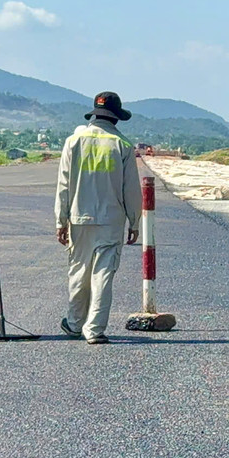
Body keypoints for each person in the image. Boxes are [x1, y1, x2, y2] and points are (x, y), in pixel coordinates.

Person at [54, 92, 142, 345]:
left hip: (79, 217)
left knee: (78, 271)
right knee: (103, 273)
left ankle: (73, 324)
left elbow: (63, 186)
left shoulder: (74, 141)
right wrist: (134, 222)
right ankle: (94, 329)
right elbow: (131, 190)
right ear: (116, 118)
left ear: (94, 114)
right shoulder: (122, 145)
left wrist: (60, 221)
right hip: (111, 220)